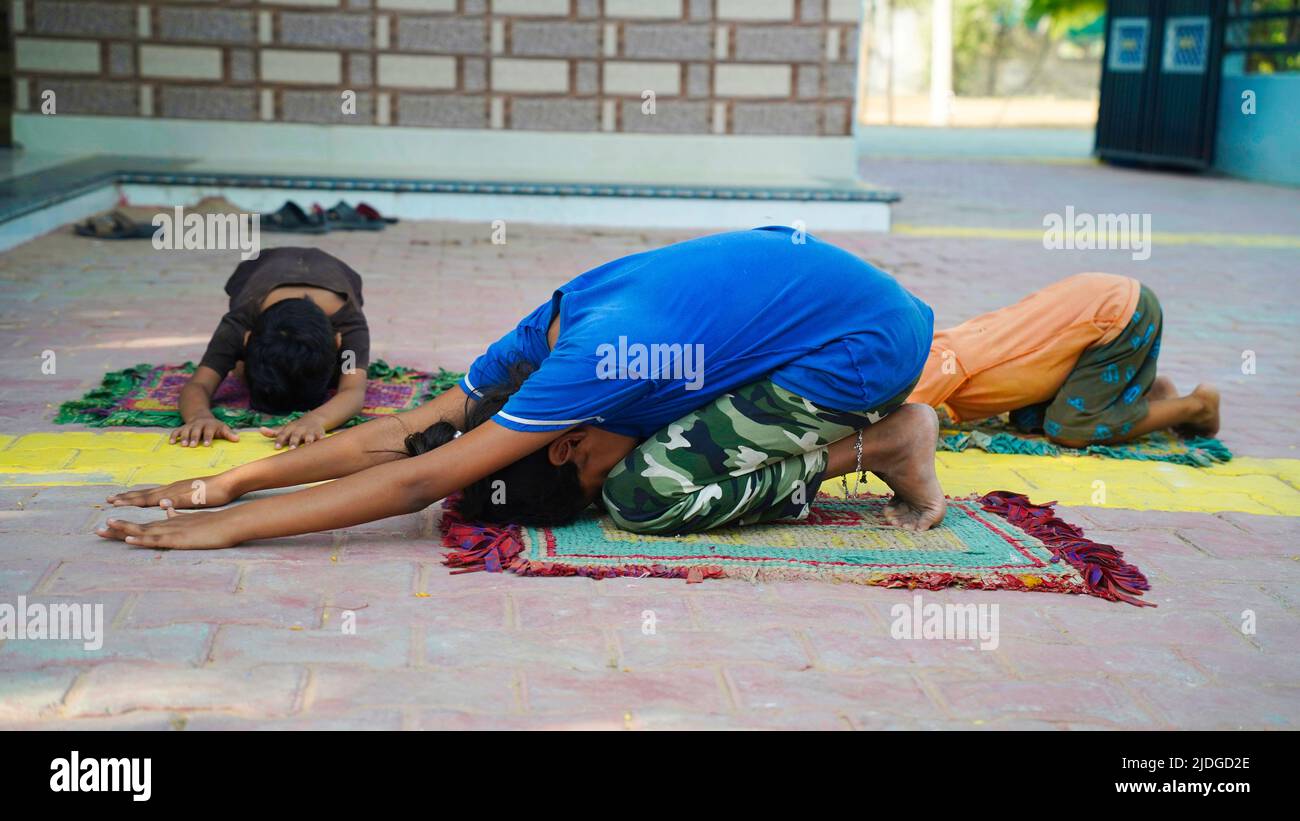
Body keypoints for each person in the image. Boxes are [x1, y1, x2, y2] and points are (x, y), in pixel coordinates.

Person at [100, 227, 943, 550]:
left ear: (568, 440)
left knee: (645, 496)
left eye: (585, 472)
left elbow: (421, 480)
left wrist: (232, 527)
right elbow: (411, 436)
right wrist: (229, 479)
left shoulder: (581, 368)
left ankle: (888, 440)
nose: (602, 468)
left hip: (863, 349)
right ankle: (877, 431)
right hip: (833, 307)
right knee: (659, 462)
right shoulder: (533, 349)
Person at [908, 272, 1220, 447]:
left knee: (1070, 429)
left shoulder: (935, 363)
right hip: (1101, 304)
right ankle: (1149, 393)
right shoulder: (934, 353)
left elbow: (895, 426)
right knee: (1031, 422)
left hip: (1120, 314)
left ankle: (1196, 407)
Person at [170, 247, 371, 449]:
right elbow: (198, 385)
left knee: (338, 372)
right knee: (245, 371)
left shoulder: (349, 329)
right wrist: (199, 417)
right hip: (259, 267)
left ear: (339, 342)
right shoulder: (238, 324)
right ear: (246, 339)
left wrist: (316, 419)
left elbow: (353, 390)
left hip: (333, 270)